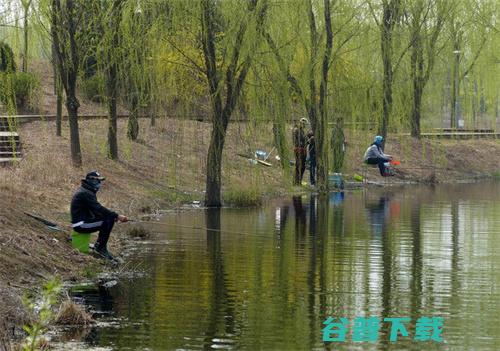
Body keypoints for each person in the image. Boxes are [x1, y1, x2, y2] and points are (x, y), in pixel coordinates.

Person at [71, 171, 128, 260]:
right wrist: (117, 216)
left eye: (100, 181)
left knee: (109, 218)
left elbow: (95, 210)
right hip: (80, 225)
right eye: (97, 181)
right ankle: (100, 248)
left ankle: (100, 246)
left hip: (83, 222)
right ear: (91, 180)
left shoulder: (87, 191)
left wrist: (113, 217)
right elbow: (98, 208)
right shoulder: (85, 193)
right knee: (108, 220)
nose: (99, 183)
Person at [292, 118, 308, 185]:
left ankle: (299, 180)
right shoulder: (297, 130)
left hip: (303, 150)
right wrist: (302, 142)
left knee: (303, 166)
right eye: (303, 124)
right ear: (301, 123)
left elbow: (304, 140)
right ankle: (296, 181)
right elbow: (296, 140)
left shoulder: (302, 131)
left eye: (305, 124)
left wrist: (307, 142)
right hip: (298, 149)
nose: (304, 125)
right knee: (298, 165)